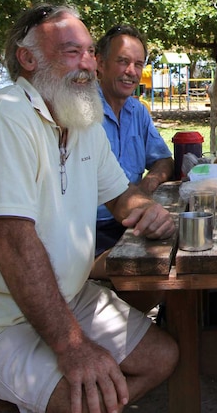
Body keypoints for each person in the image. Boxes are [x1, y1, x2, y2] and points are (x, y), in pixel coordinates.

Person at [0, 4, 179, 413]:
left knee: (162, 358)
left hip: (66, 297)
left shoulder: (80, 119)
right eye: (71, 52)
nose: (88, 65)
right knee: (87, 397)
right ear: (28, 58)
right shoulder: (5, 118)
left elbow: (120, 196)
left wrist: (149, 210)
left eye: (91, 52)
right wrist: (72, 347)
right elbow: (14, 245)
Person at [92, 24, 173, 260]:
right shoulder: (79, 113)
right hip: (92, 229)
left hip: (133, 218)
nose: (131, 71)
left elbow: (164, 160)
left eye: (138, 64)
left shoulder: (137, 110)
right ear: (100, 63)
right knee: (157, 265)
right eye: (123, 61)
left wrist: (144, 189)